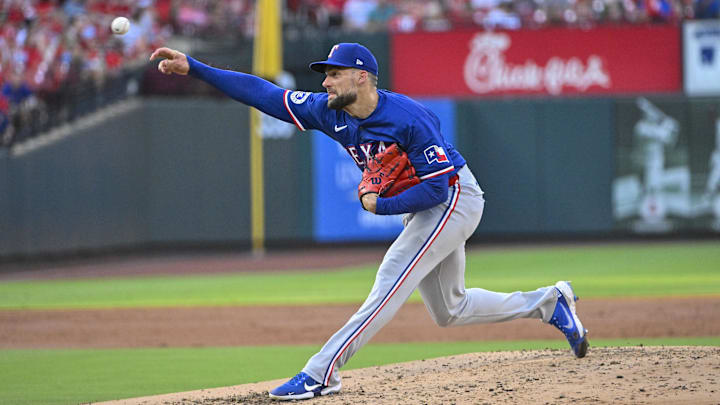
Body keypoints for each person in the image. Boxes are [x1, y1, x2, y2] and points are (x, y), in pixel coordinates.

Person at [149, 43, 589, 401]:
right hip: (429, 207)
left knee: (389, 281)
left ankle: (322, 372)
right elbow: (264, 95)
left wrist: (378, 207)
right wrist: (196, 68)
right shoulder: (329, 110)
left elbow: (437, 190)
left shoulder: (408, 118)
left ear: (361, 76)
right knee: (450, 310)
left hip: (455, 198)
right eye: (325, 75)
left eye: (333, 73)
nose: (324, 82)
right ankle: (549, 303)